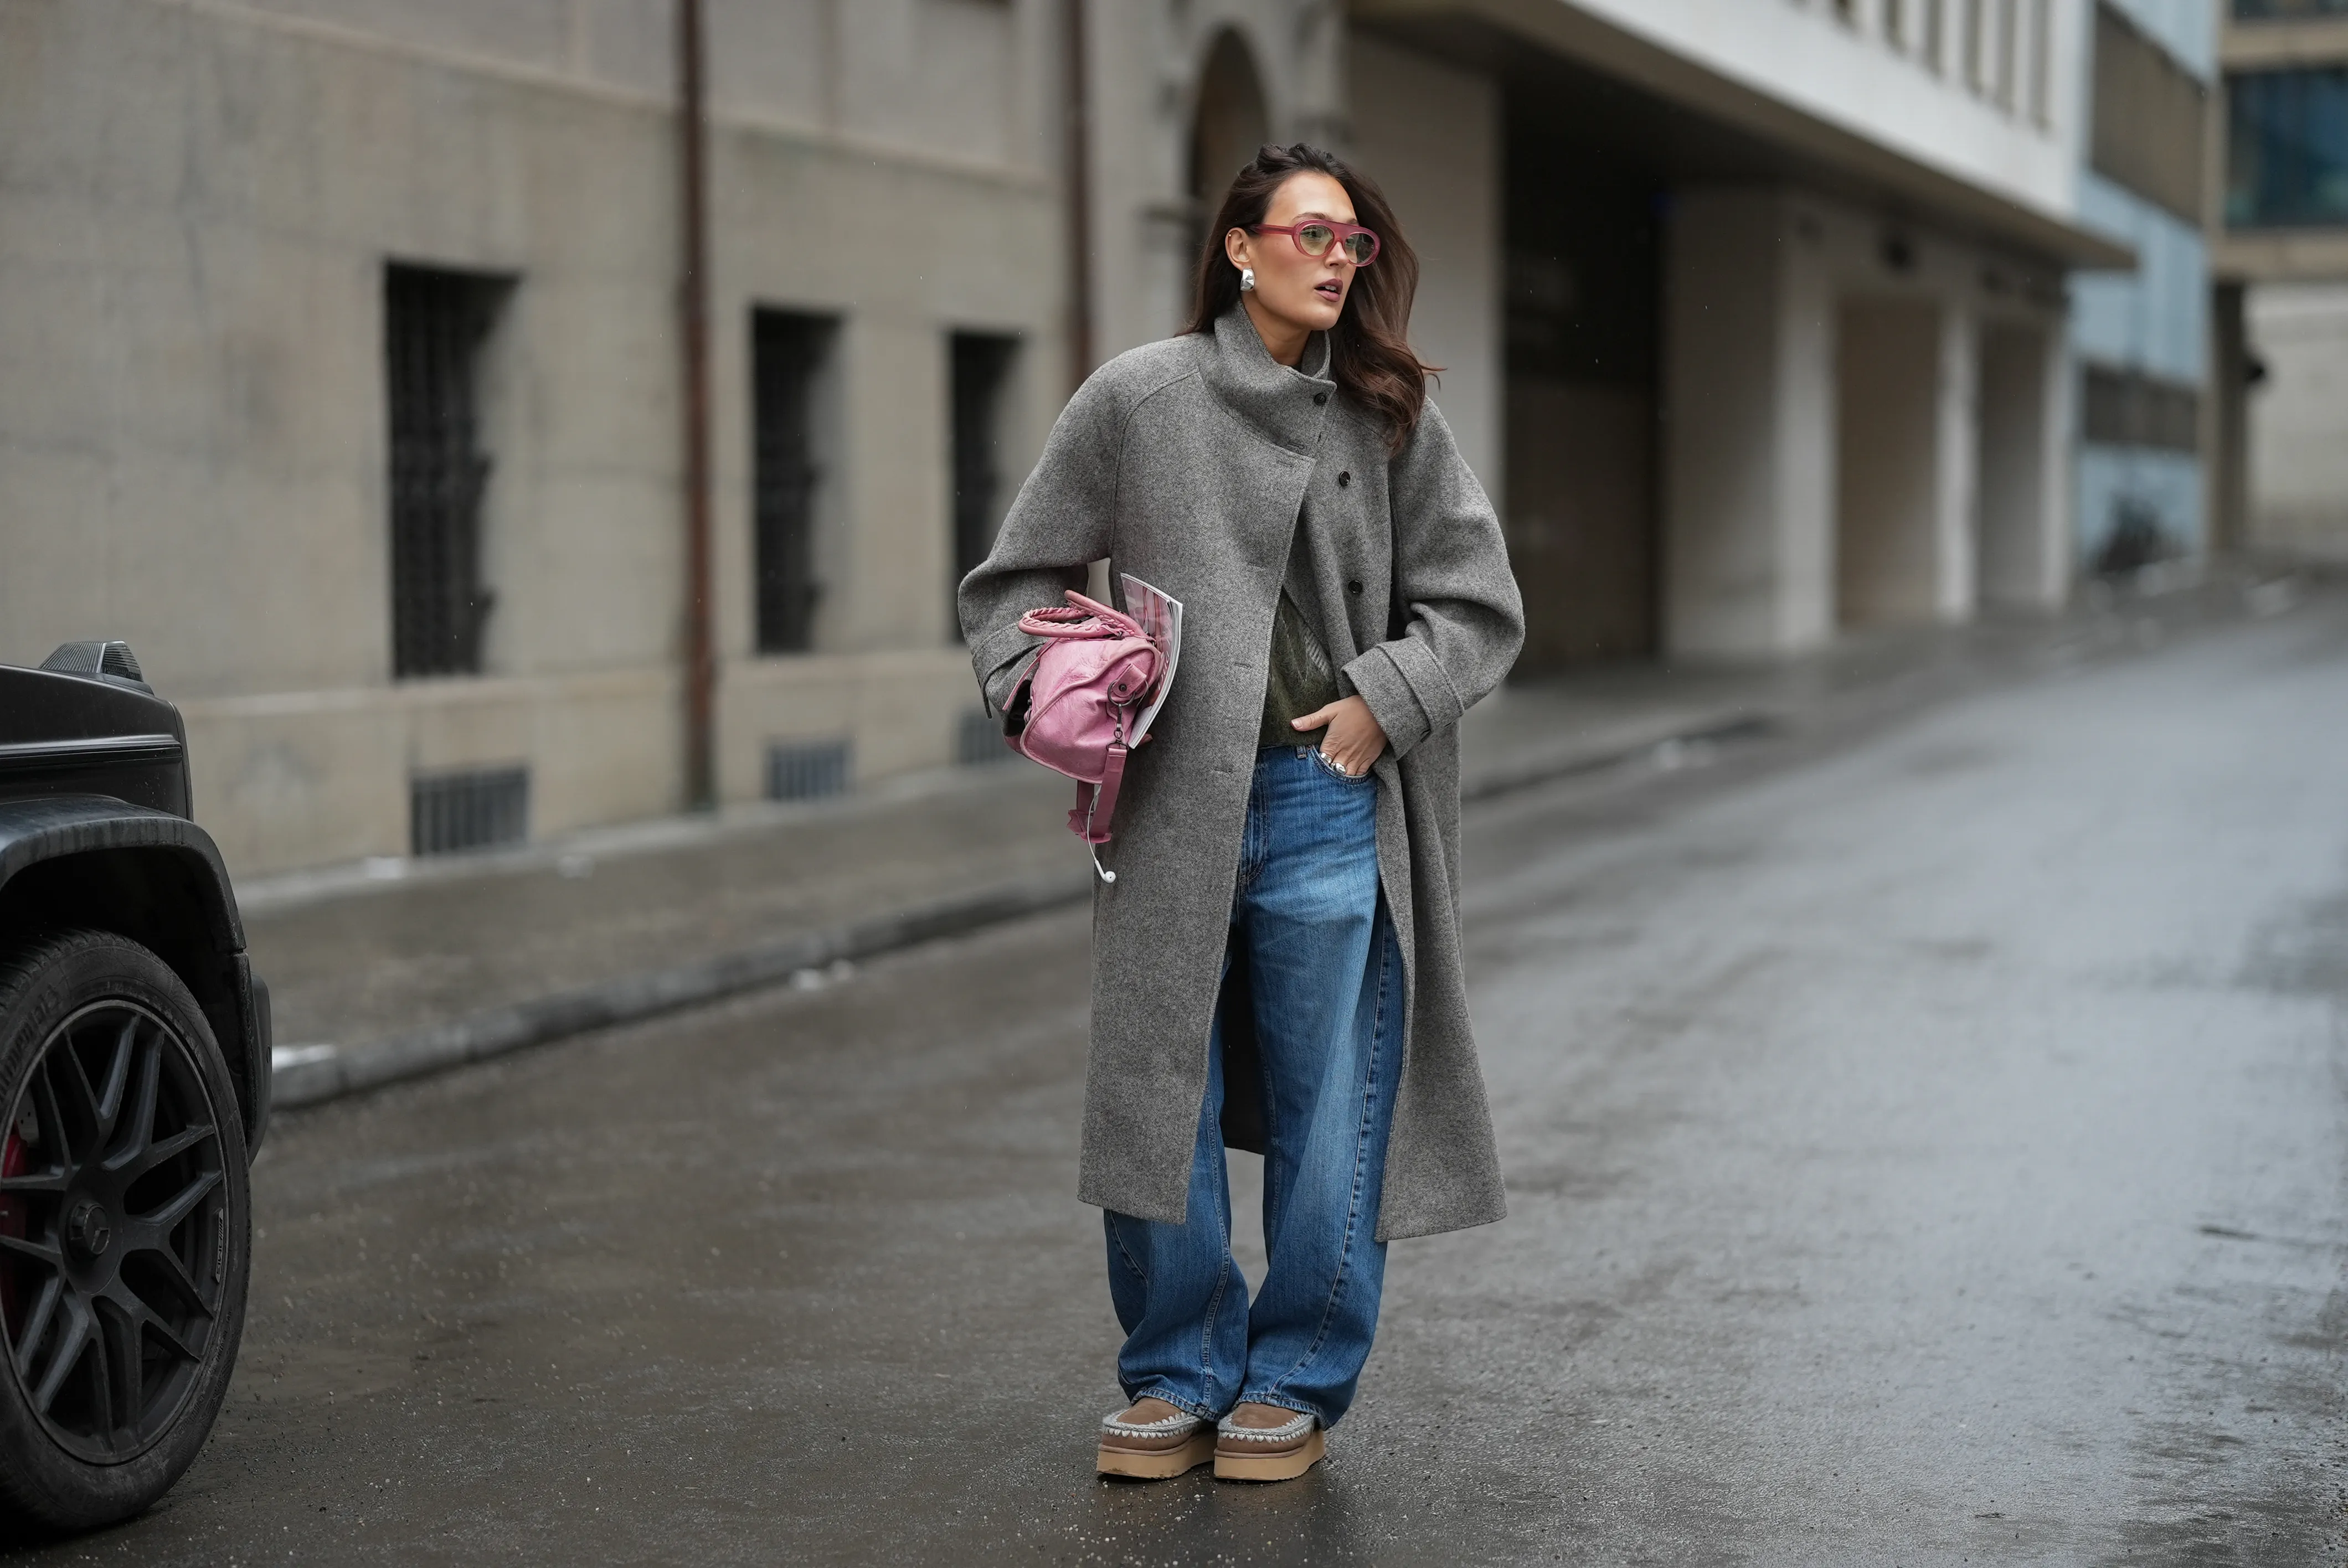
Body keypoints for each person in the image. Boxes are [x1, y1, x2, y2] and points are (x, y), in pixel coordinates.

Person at [957, 143, 1523, 1483]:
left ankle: (1295, 1379)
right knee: (1163, 1088)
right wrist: (1051, 690)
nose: (1336, 259)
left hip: (1328, 796)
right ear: (1237, 246)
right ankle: (1175, 1370)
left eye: (1353, 242)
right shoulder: (1137, 398)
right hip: (1167, 804)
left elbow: (1477, 604)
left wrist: (1384, 698)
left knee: (1335, 1106)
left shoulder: (1385, 413)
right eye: (1310, 233)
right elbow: (1009, 582)